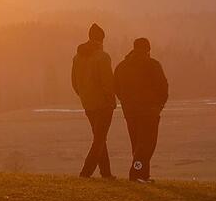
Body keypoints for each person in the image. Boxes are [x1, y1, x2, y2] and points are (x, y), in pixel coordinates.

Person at [114, 37, 168, 183]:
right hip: (149, 111)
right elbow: (163, 87)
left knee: (137, 145)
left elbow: (117, 88)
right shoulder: (153, 65)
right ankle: (136, 173)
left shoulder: (121, 66)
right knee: (147, 145)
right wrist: (159, 105)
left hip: (130, 112)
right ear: (148, 50)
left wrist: (125, 102)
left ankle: (143, 175)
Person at [71, 23, 117, 178]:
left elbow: (74, 83)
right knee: (99, 139)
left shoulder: (77, 57)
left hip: (88, 104)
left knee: (99, 138)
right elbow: (108, 83)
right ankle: (86, 172)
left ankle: (106, 173)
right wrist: (111, 100)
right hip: (103, 104)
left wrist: (84, 95)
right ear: (101, 39)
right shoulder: (103, 57)